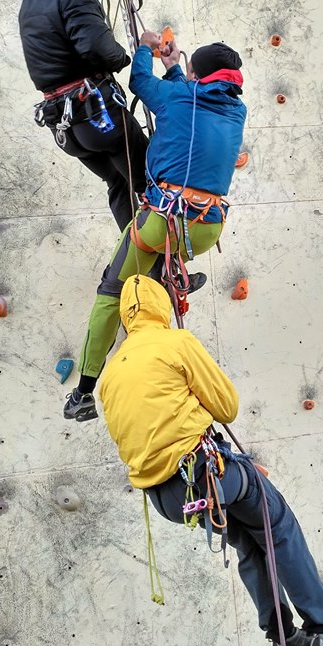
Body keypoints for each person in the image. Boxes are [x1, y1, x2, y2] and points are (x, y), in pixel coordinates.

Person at [99, 275, 323, 646]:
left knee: (250, 542)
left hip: (169, 500)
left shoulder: (110, 376)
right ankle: (322, 631)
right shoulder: (175, 343)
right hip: (206, 473)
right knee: (277, 526)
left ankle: (283, 637)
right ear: (160, 306)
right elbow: (227, 406)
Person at [63, 31, 247, 422]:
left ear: (197, 75)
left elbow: (139, 83)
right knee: (156, 257)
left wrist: (146, 48)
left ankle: (82, 393)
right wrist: (177, 67)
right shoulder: (236, 112)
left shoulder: (178, 97)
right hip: (206, 228)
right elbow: (195, 99)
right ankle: (169, 274)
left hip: (163, 222)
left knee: (112, 291)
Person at [18, 0, 148, 231]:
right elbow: (95, 48)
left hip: (68, 128)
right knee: (153, 185)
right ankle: (167, 273)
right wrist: (124, 58)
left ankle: (126, 273)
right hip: (99, 116)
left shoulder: (31, 3)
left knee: (118, 184)